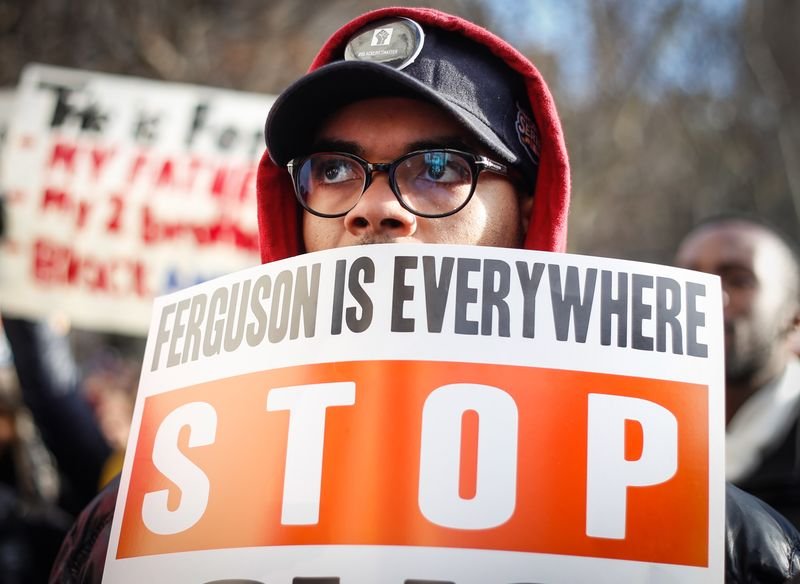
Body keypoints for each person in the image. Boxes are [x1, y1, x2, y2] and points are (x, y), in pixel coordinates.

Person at [49, 7, 800, 583]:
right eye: (334, 170)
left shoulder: (711, 541)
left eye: (440, 167)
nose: (373, 207)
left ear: (530, 212)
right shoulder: (138, 525)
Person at [676, 215, 800, 526]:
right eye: (689, 279)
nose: (706, 298)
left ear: (794, 315)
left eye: (739, 280)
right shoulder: (631, 429)